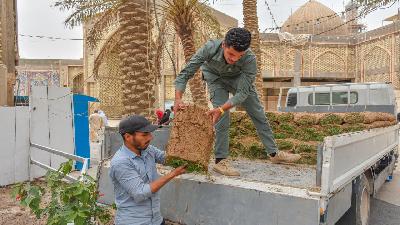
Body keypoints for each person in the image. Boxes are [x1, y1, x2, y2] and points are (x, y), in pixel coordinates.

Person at [174, 27, 301, 177]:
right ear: (223, 45)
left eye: (238, 56)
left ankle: (274, 154)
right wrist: (178, 99)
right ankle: (220, 161)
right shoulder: (209, 48)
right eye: (231, 54)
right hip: (215, 79)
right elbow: (185, 73)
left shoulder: (250, 59)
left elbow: (242, 94)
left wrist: (221, 108)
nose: (234, 59)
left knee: (258, 113)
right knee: (222, 117)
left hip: (238, 80)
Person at [109, 115, 186, 225]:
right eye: (145, 135)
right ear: (128, 137)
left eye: (149, 133)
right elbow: (140, 193)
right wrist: (172, 174)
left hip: (156, 219)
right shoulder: (121, 162)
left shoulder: (147, 150)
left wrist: (185, 146)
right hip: (135, 221)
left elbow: (166, 159)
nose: (150, 138)